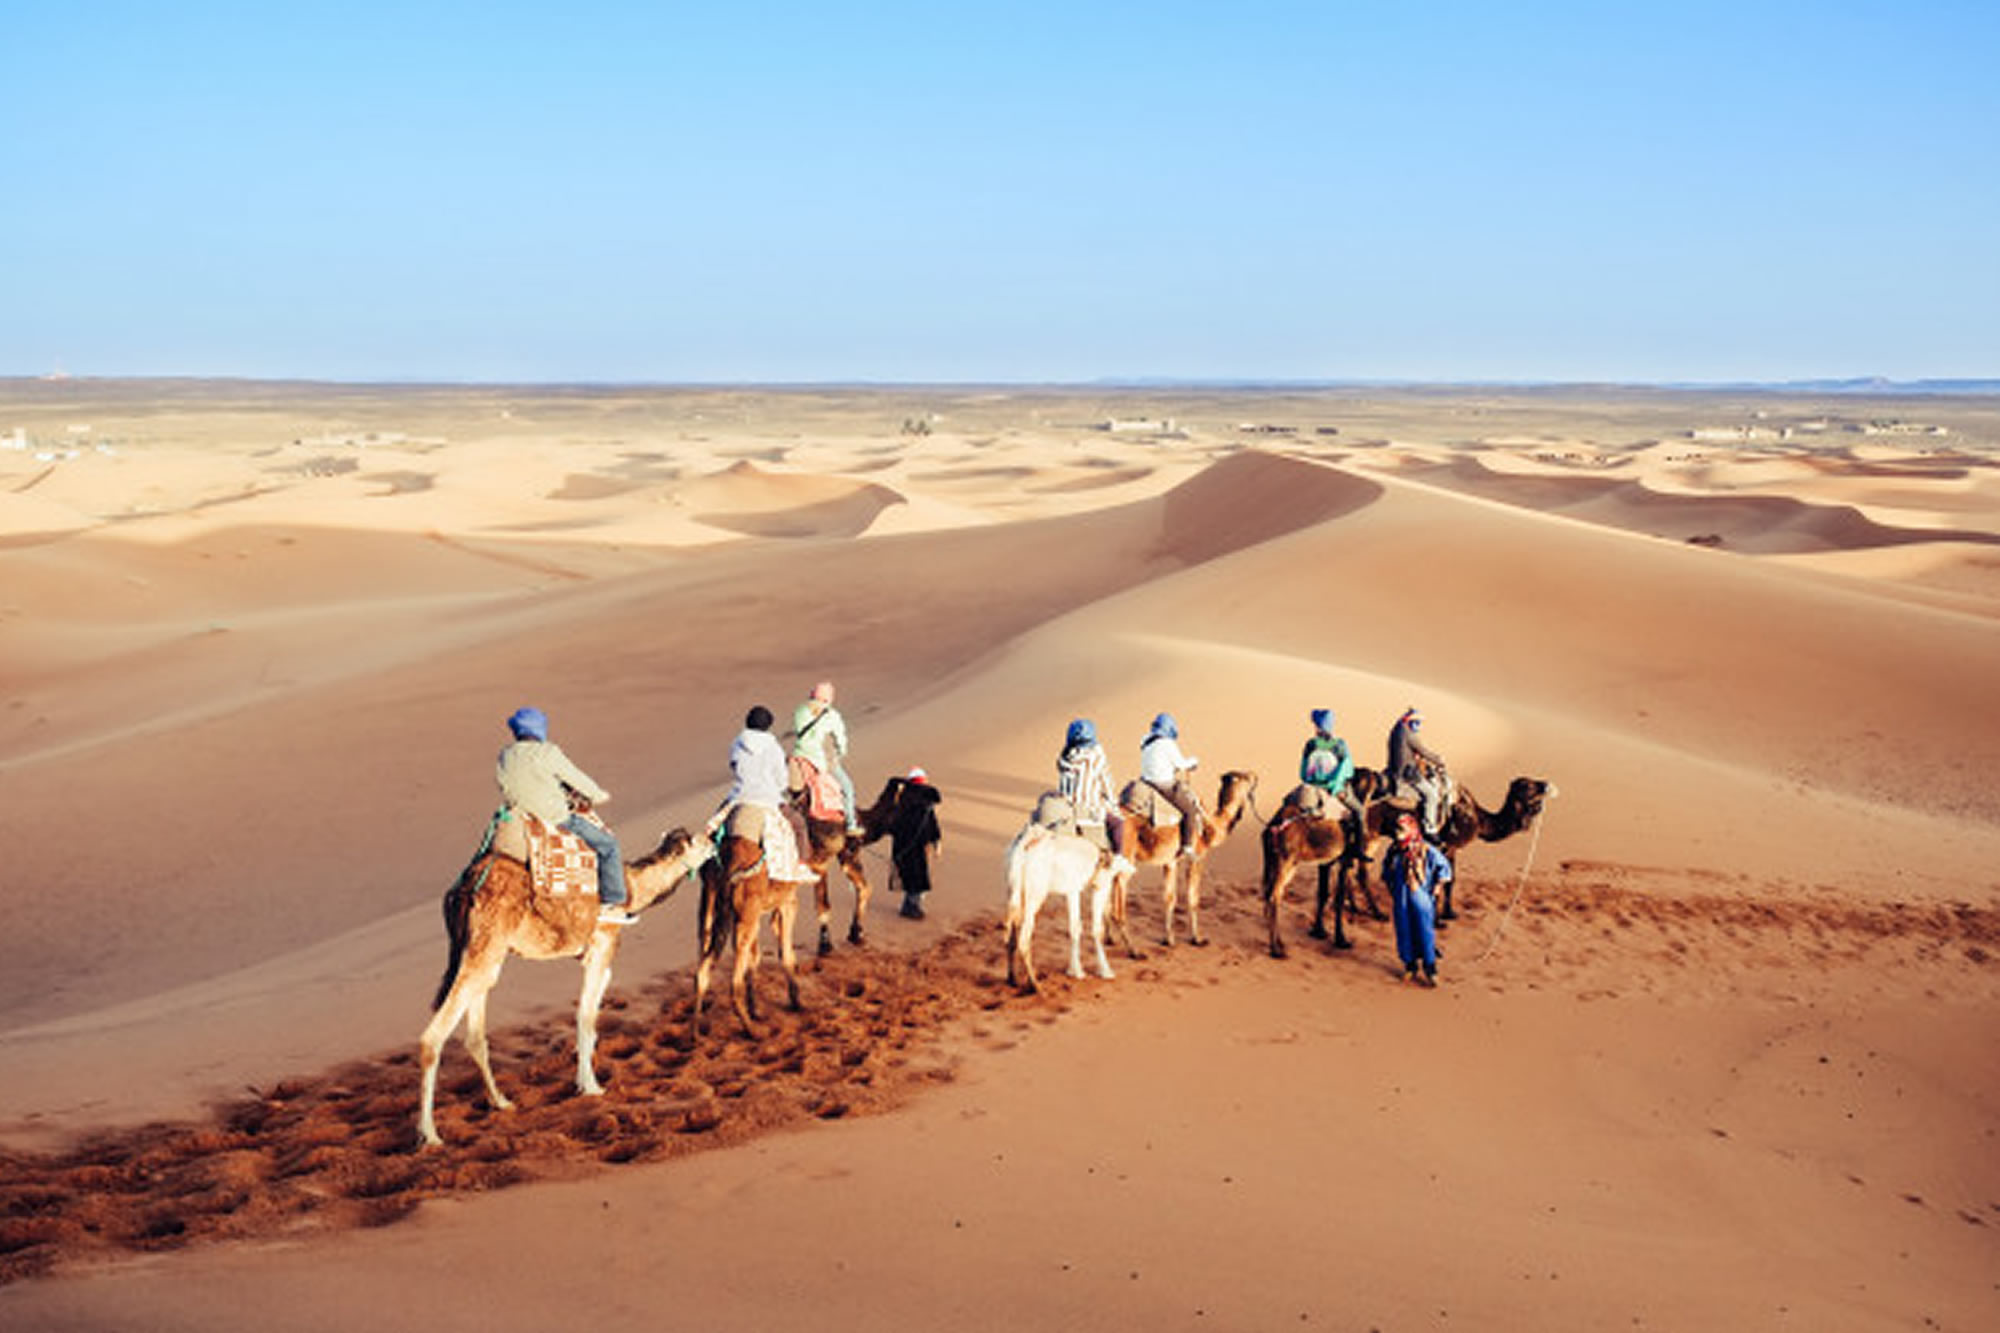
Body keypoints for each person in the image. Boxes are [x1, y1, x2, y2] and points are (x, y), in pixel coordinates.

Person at [495, 706, 632, 924]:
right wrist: (597, 795)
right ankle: (611, 903)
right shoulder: (548, 752)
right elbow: (575, 778)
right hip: (554, 817)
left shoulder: (505, 755)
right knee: (609, 846)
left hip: (518, 817)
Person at [715, 705, 815, 884]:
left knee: (715, 826)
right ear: (768, 725)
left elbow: (734, 767)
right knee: (799, 825)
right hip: (769, 800)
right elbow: (782, 781)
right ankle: (801, 866)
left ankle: (708, 866)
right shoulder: (774, 748)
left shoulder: (736, 743)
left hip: (740, 796)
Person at [1383, 812, 1452, 986]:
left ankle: (1430, 968)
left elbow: (1444, 867)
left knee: (1425, 931)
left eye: (1402, 830)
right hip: (1401, 899)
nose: (1399, 834)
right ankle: (1410, 966)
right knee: (1404, 930)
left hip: (1422, 899)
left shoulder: (1426, 850)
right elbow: (1387, 872)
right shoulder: (1394, 851)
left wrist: (1438, 886)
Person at [1057, 719, 1134, 873]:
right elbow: (1107, 785)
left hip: (1066, 808)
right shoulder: (1096, 757)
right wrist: (1113, 805)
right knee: (1118, 823)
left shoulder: (1064, 759)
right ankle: (1117, 859)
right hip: (1088, 809)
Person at [791, 680, 859, 833]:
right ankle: (850, 824)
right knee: (847, 788)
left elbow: (799, 732)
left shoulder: (800, 711)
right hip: (823, 762)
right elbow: (840, 740)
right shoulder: (832, 716)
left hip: (799, 758)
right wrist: (840, 753)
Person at [1139, 711, 1205, 858]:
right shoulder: (1167, 744)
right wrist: (1194, 762)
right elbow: (1181, 764)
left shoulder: (1145, 740)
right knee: (1190, 810)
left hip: (1145, 781)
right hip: (1163, 785)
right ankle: (1187, 846)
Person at [1300, 707, 1366, 851]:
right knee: (1360, 811)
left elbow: (1304, 770)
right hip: (1334, 788)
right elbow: (1346, 769)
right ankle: (1358, 849)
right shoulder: (1339, 745)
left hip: (1312, 787)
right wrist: (1333, 785)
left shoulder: (1310, 744)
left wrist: (1312, 782)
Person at [1386, 706, 1453, 837]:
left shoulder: (1397, 729)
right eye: (1417, 722)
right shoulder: (1408, 734)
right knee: (1431, 794)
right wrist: (1439, 760)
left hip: (1394, 768)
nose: (1419, 725)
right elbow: (1422, 750)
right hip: (1407, 772)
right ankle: (1430, 828)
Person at [889, 766, 943, 919]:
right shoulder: (924, 804)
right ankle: (911, 907)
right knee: (917, 877)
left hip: (904, 847)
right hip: (915, 847)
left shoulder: (901, 801)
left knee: (911, 877)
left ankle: (910, 905)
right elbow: (932, 824)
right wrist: (936, 841)